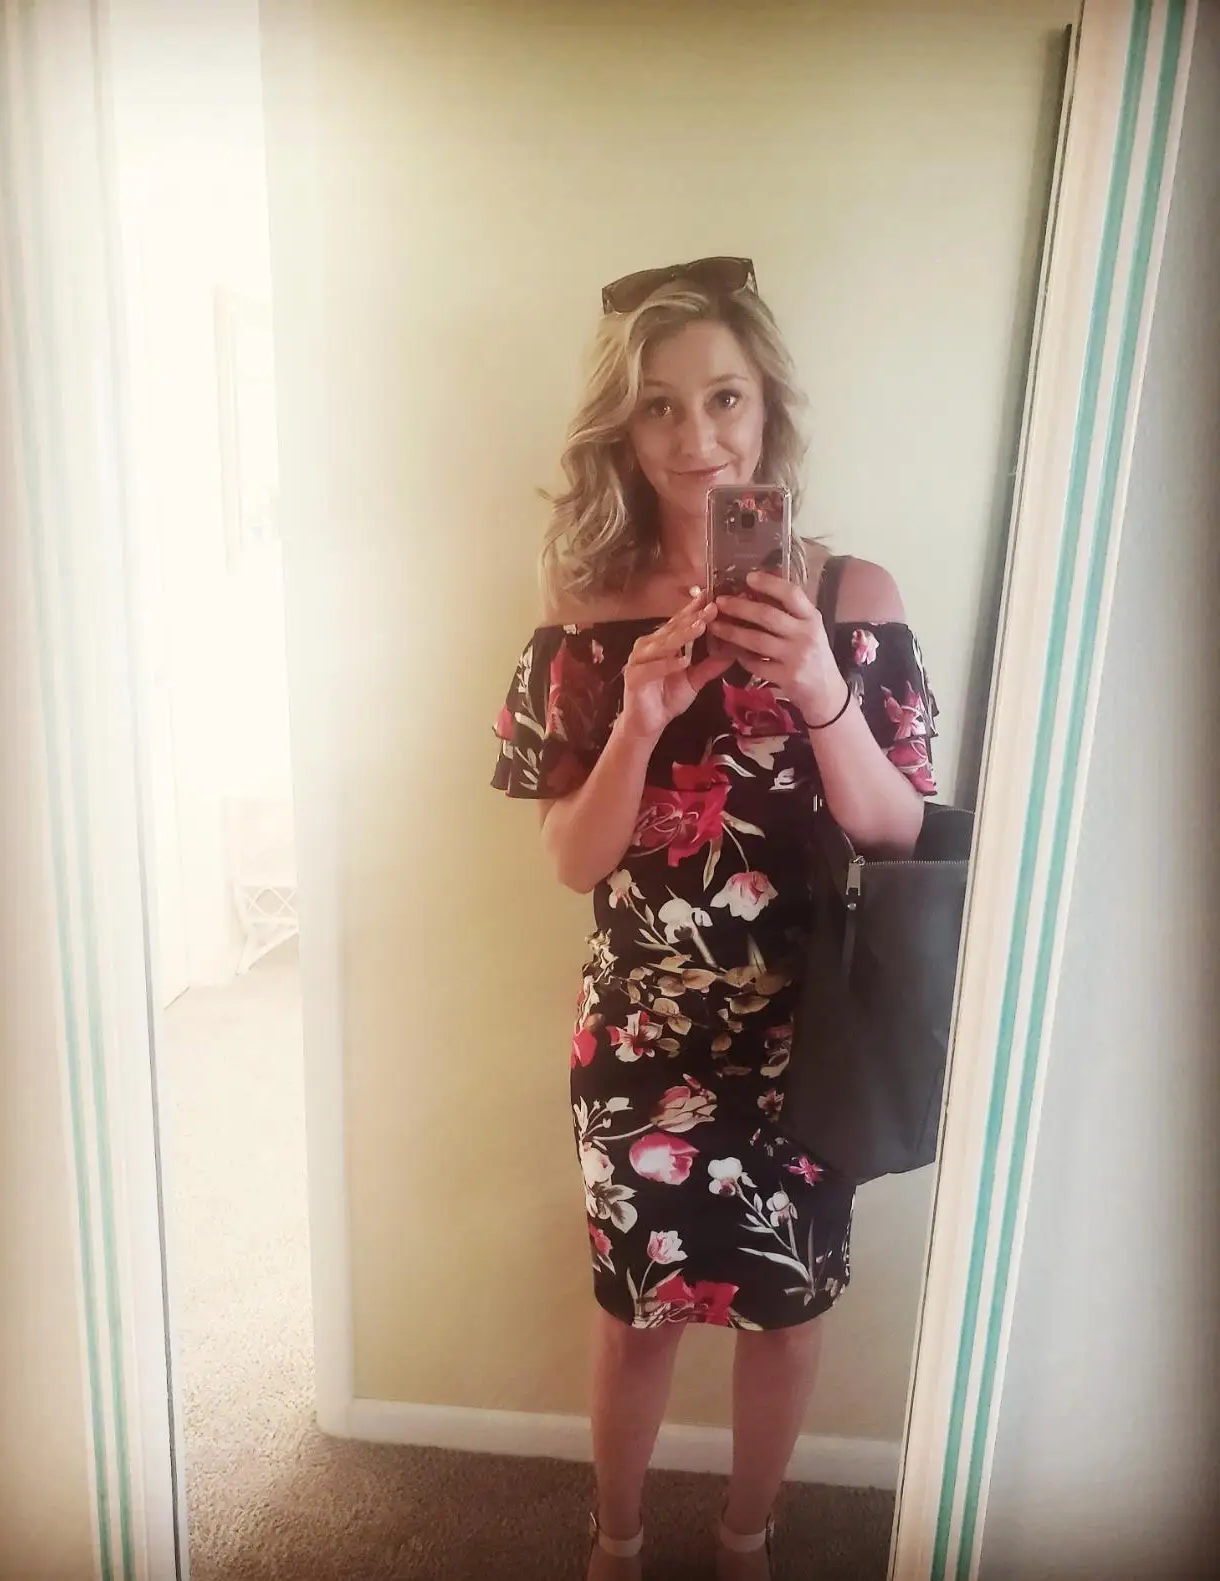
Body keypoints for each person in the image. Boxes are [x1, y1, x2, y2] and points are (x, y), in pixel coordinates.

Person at [490, 257, 939, 1581]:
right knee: (635, 1315)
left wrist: (819, 688)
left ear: (767, 407)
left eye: (724, 398)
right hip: (641, 1032)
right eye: (660, 406)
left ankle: (746, 1541)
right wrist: (637, 723)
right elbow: (574, 863)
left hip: (814, 1036)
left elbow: (900, 834)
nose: (697, 438)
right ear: (622, 430)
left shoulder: (855, 599)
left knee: (785, 1316)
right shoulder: (579, 623)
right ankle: (616, 1541)